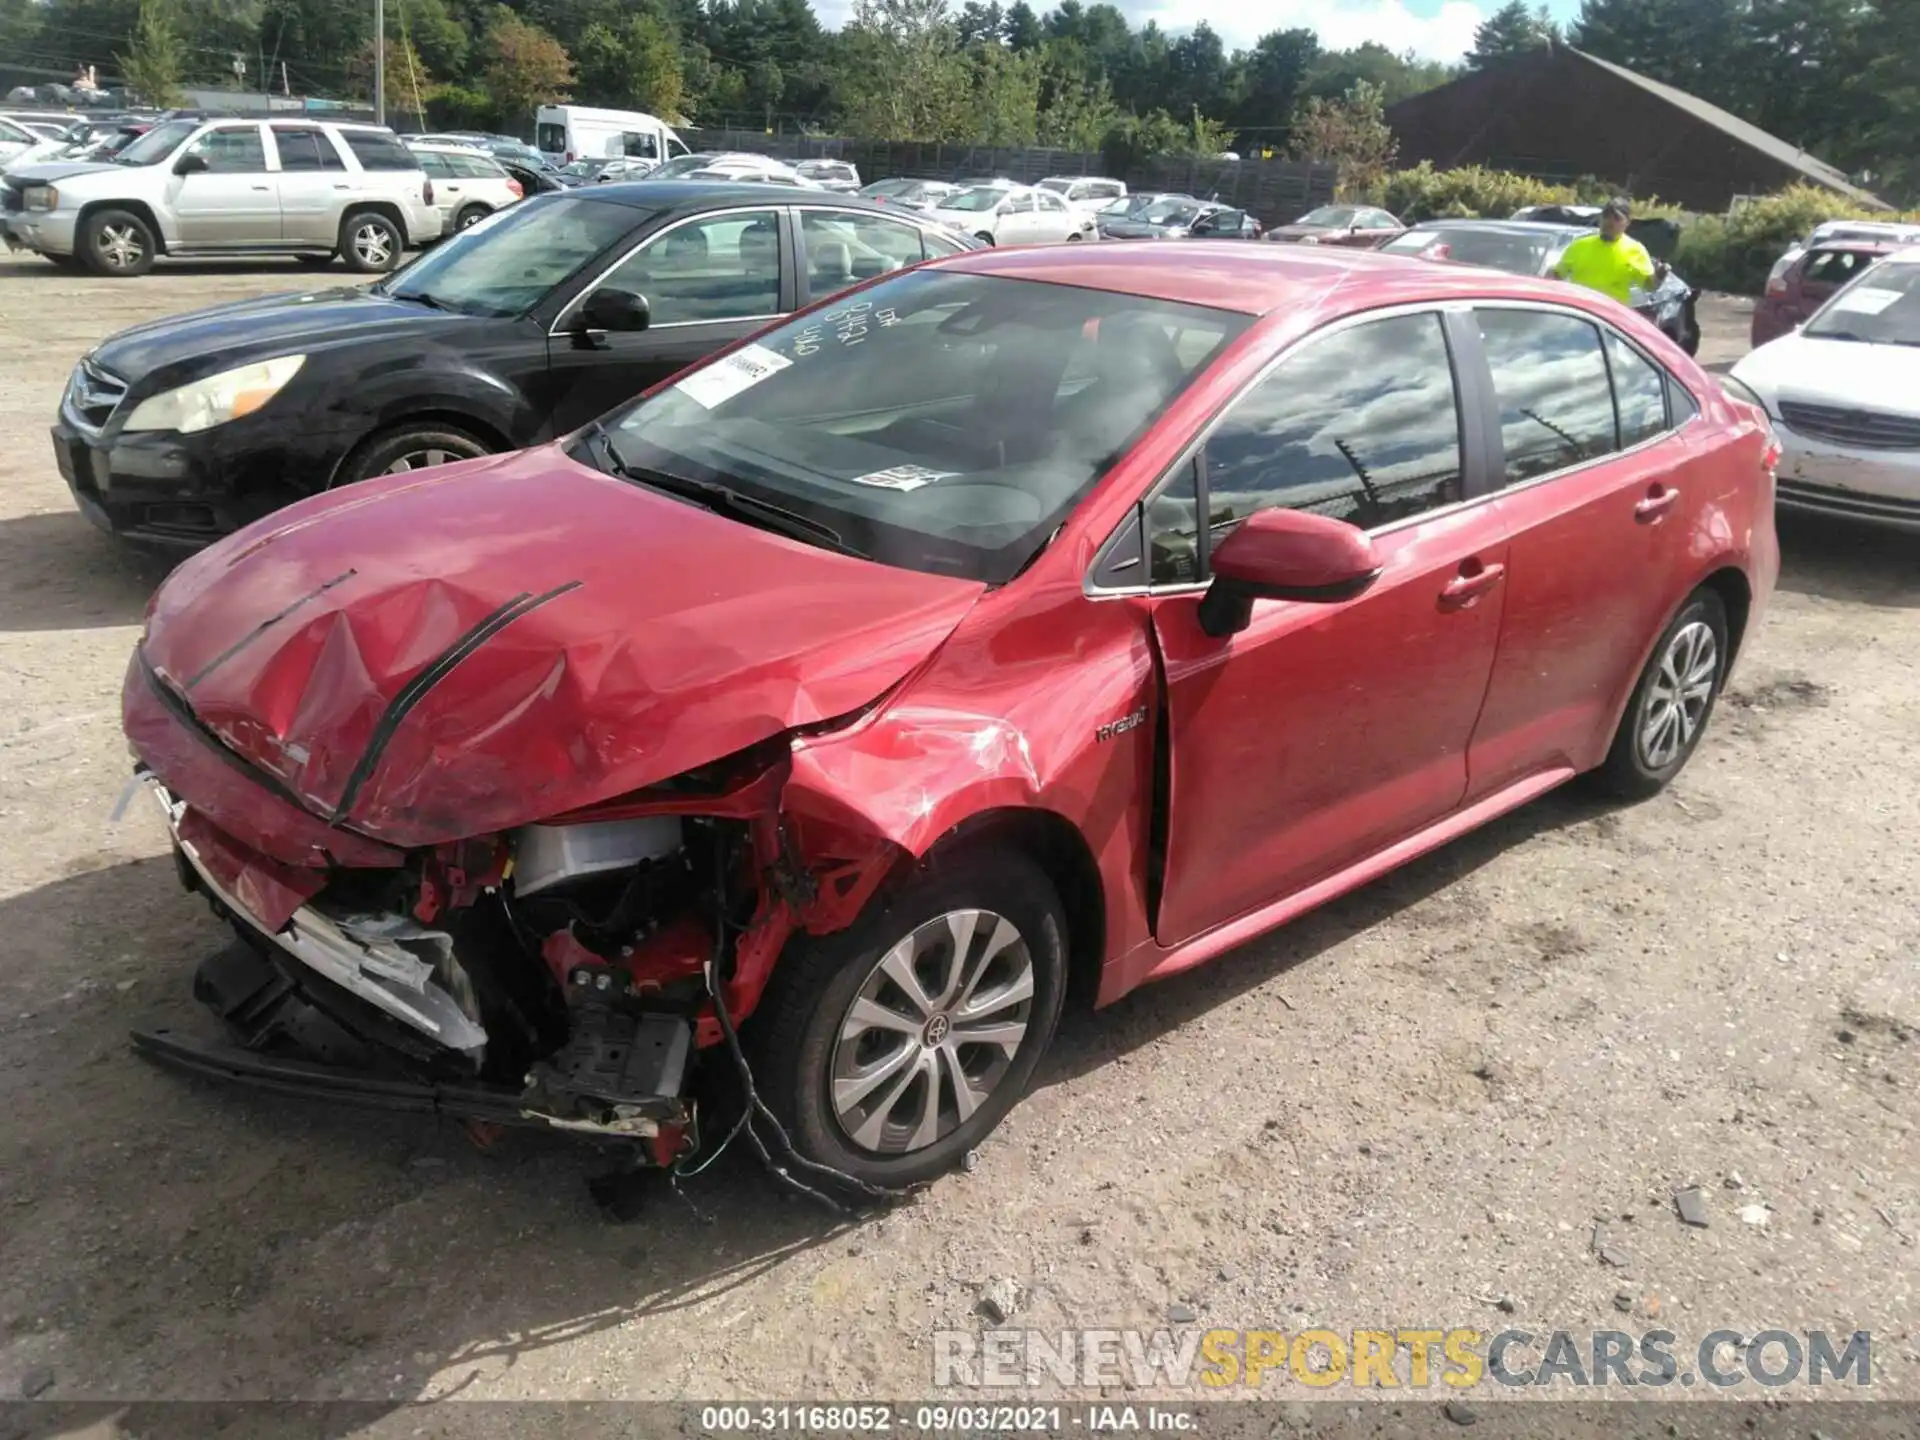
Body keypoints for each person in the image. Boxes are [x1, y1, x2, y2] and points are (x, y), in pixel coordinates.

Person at [1552, 198, 1661, 306]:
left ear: (1627, 223)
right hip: (1581, 314)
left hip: (1610, 317)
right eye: (1606, 217)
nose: (1609, 222)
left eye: (1617, 218)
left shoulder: (1635, 250)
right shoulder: (1579, 245)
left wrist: (1660, 276)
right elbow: (1556, 276)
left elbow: (1649, 287)